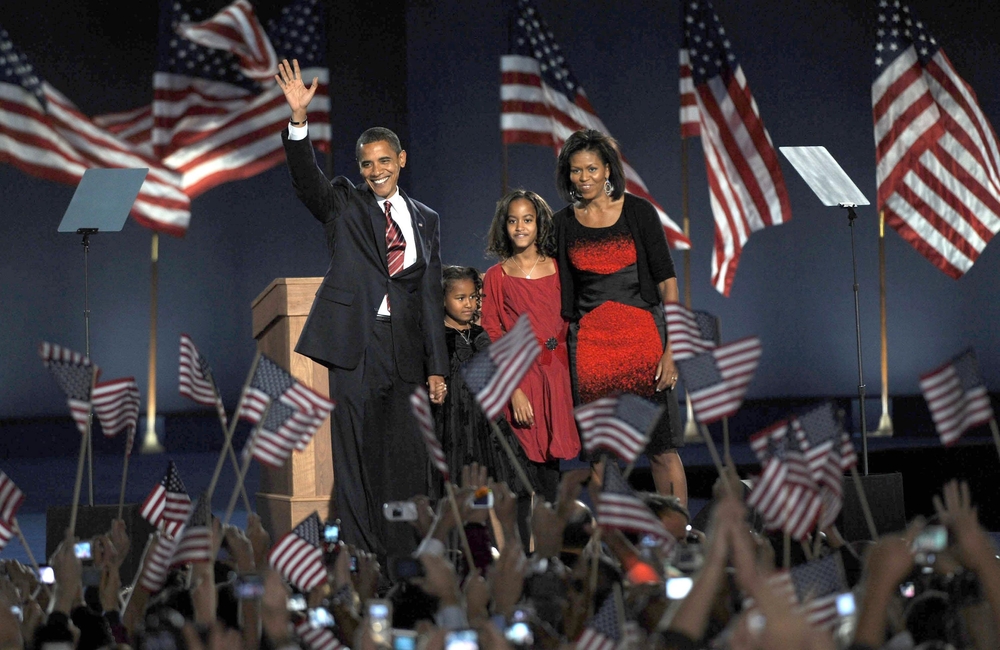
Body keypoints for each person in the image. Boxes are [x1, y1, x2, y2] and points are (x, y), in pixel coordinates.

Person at [275, 59, 449, 560]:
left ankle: (410, 552)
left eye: (383, 161)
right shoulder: (343, 203)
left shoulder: (427, 220)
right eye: (366, 164)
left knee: (409, 454)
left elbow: (431, 294)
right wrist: (298, 121)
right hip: (358, 344)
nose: (375, 171)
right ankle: (361, 553)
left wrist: (437, 366)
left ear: (401, 159)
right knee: (355, 453)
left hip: (408, 349)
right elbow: (307, 179)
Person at [552, 129, 687, 506]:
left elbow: (669, 286)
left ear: (608, 169)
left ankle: (677, 538)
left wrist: (672, 350)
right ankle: (612, 544)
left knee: (661, 449)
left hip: (644, 344)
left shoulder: (638, 211)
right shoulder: (562, 223)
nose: (585, 178)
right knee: (601, 457)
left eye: (592, 169)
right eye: (576, 171)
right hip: (592, 351)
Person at [481, 190, 580, 502]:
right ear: (504, 226)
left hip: (557, 375)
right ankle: (522, 549)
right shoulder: (496, 276)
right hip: (520, 378)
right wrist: (514, 390)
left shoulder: (559, 269)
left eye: (527, 220)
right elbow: (492, 332)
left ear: (539, 225)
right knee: (522, 475)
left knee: (551, 472)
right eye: (513, 221)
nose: (520, 227)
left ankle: (548, 547)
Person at [436, 266, 531, 492]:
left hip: (485, 423)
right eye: (460, 298)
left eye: (472, 297)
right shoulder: (437, 338)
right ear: (442, 299)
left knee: (494, 486)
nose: (468, 304)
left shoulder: (479, 335)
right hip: (453, 421)